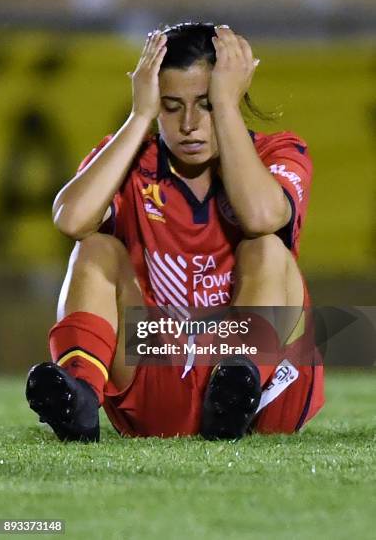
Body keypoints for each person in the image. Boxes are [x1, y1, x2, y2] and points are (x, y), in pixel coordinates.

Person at [26, 22, 324, 442]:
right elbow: (71, 221)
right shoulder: (129, 161)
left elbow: (259, 217)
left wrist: (226, 106)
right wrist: (138, 117)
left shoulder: (280, 152)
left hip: (262, 387)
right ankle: (80, 396)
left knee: (266, 251)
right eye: (170, 105)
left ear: (231, 96)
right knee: (95, 247)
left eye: (205, 103)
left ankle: (238, 384)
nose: (189, 123)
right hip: (163, 364)